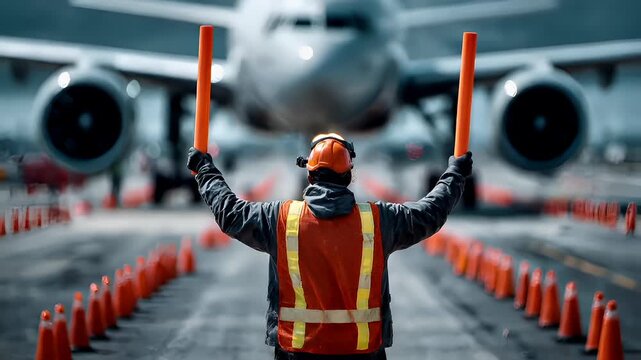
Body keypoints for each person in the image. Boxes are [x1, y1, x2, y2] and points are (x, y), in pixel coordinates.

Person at [187, 133, 472, 360]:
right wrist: (455, 175)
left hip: (298, 352)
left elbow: (231, 213)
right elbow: (430, 213)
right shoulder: (378, 221)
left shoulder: (282, 219)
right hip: (362, 352)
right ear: (349, 176)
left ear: (309, 175)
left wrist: (205, 171)